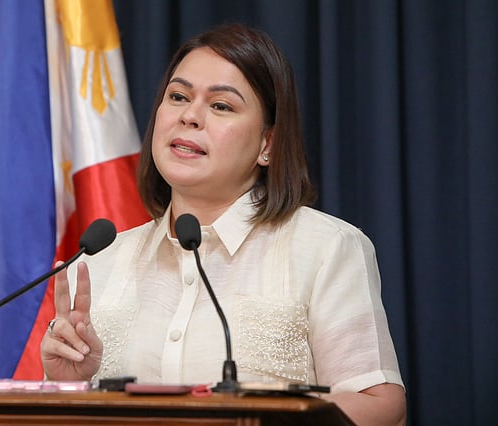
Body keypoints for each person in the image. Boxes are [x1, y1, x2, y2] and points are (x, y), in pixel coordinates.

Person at [41, 23, 406, 425]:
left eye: (221, 106)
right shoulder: (97, 263)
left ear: (268, 144)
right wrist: (67, 389)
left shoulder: (325, 248)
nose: (190, 116)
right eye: (178, 97)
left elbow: (379, 405)